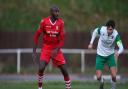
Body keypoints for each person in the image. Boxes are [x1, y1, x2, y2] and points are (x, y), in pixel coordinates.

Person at [32, 5, 71, 89]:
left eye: (58, 11)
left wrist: (57, 49)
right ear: (51, 13)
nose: (58, 13)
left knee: (65, 70)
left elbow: (62, 40)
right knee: (41, 68)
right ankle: (39, 88)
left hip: (56, 49)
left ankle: (68, 87)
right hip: (46, 48)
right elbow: (36, 36)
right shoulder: (44, 22)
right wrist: (34, 52)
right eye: (55, 11)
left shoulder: (61, 23)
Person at [88, 20, 124, 89]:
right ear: (106, 27)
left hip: (110, 55)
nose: (109, 31)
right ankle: (102, 81)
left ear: (113, 29)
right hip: (100, 55)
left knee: (114, 76)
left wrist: (118, 53)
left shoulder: (116, 35)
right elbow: (95, 31)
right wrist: (91, 43)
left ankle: (113, 87)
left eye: (110, 29)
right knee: (98, 77)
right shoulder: (102, 29)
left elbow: (121, 47)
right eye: (108, 29)